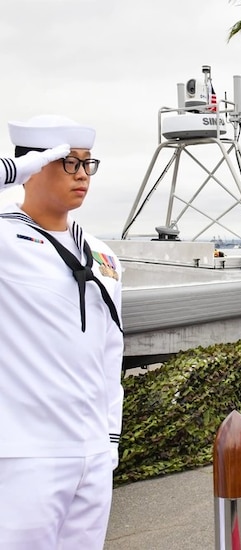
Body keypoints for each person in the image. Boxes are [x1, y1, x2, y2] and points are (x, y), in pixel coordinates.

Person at [0, 115, 124, 549]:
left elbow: (110, 349)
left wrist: (109, 437)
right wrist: (12, 170)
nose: (82, 175)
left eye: (87, 164)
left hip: (91, 452)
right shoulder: (4, 238)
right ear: (35, 165)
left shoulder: (102, 253)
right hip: (25, 453)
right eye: (68, 162)